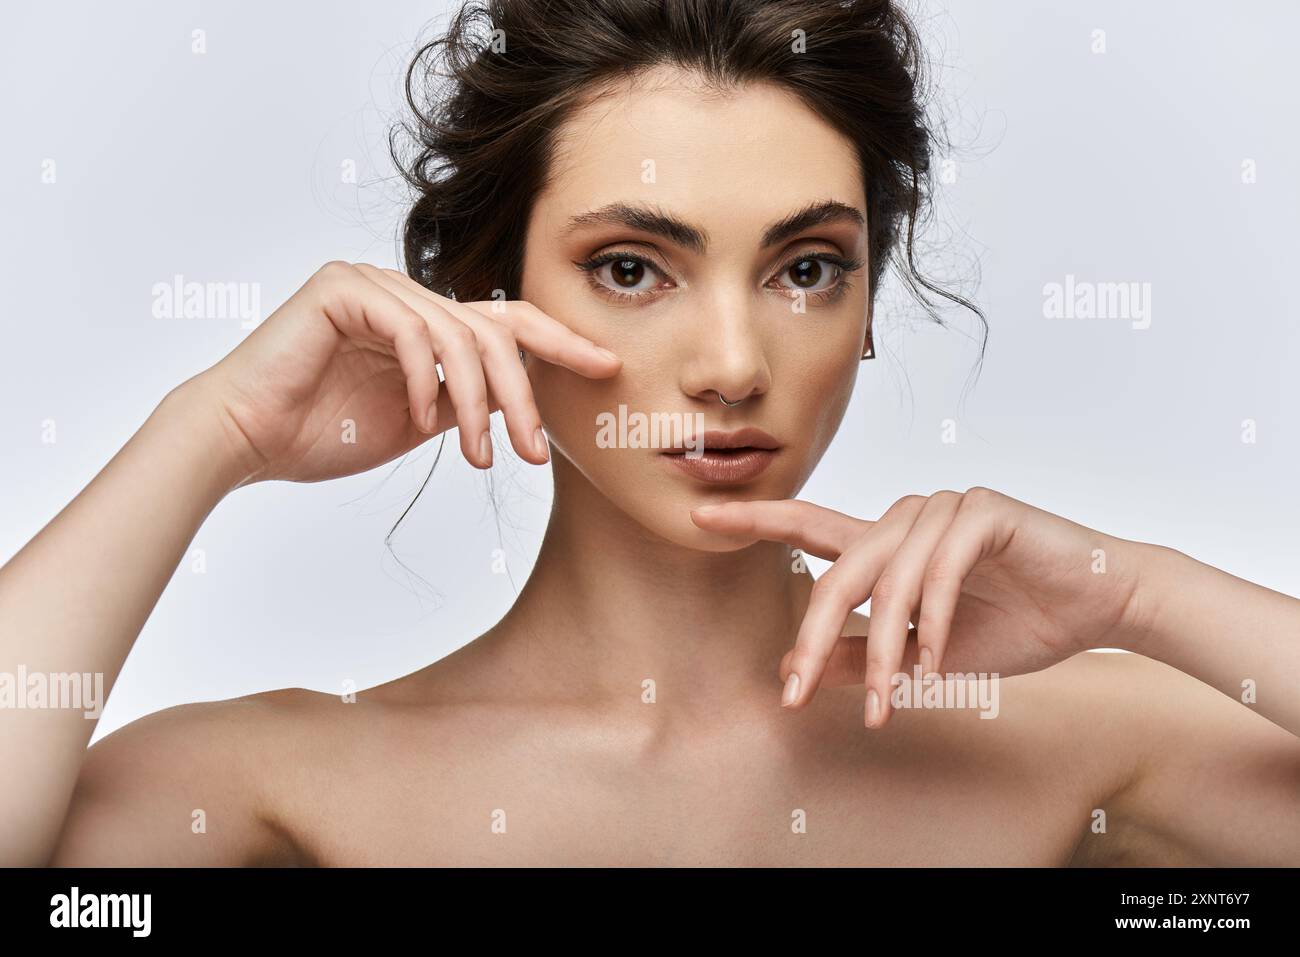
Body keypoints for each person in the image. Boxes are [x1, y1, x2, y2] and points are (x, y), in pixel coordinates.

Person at [2, 0, 1297, 866]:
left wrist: (1138, 590)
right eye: (632, 267)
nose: (734, 366)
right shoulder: (266, 783)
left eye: (806, 269)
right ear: (488, 302)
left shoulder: (1081, 743)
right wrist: (209, 431)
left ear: (868, 304)